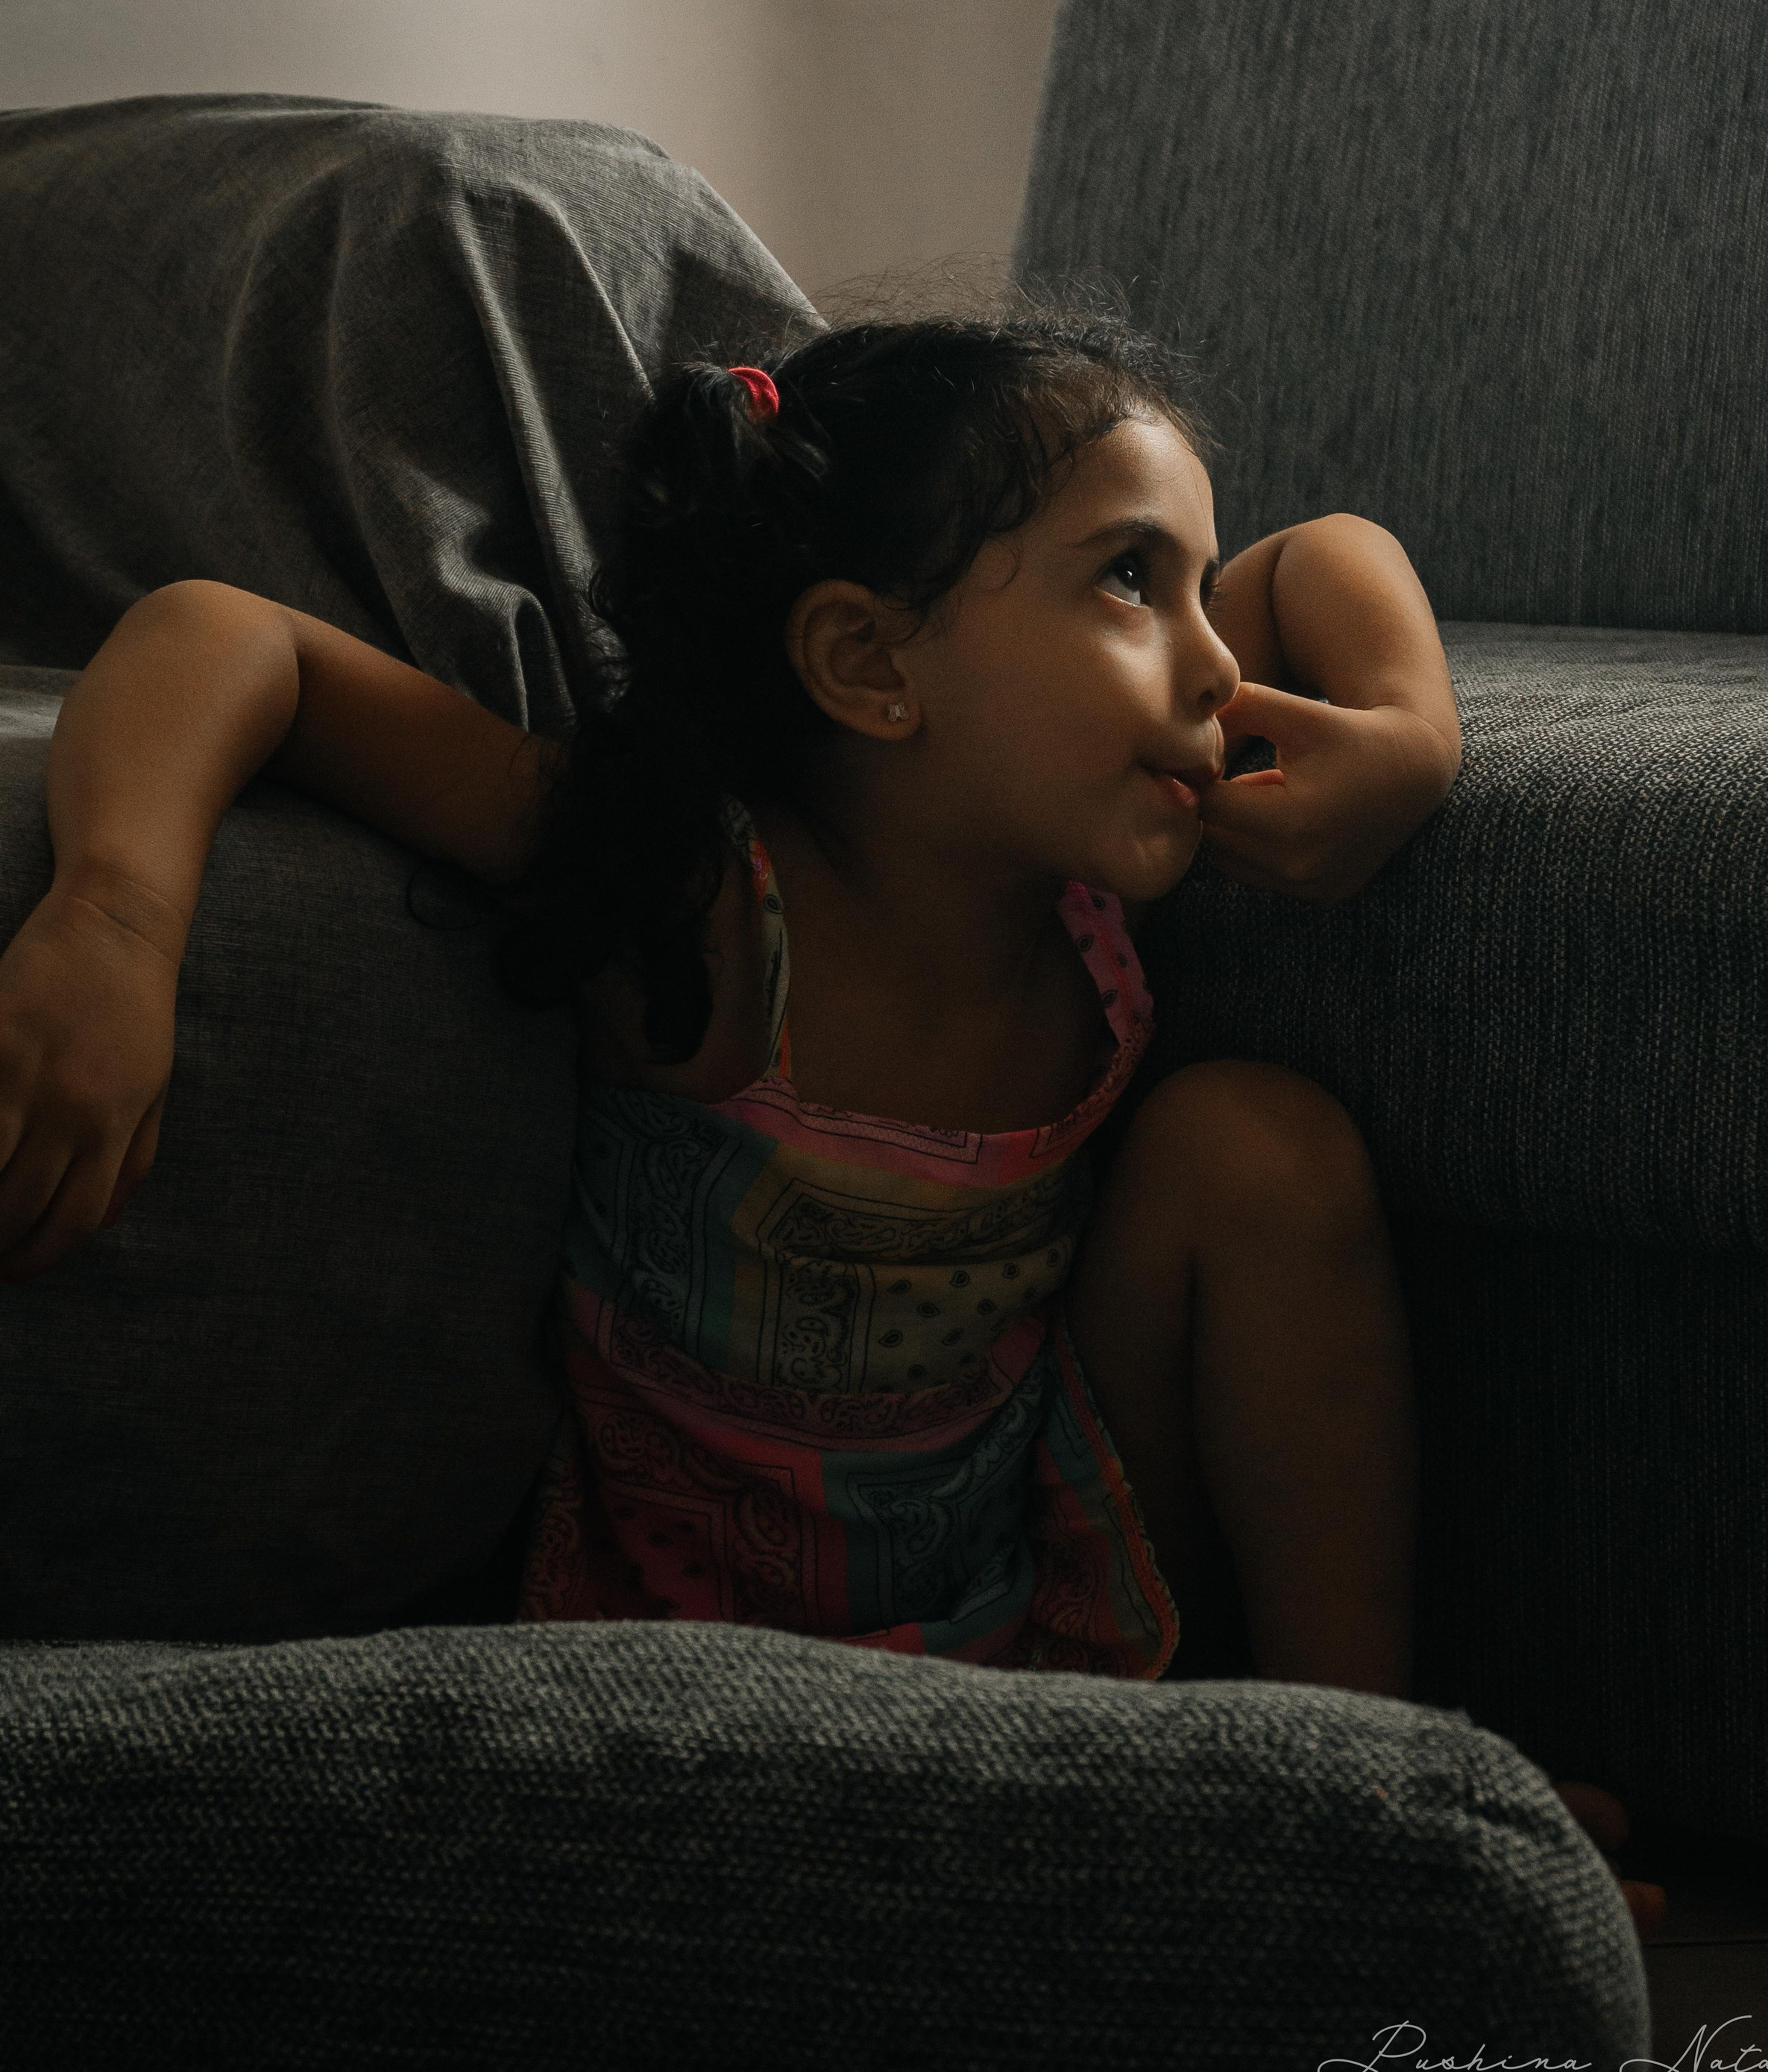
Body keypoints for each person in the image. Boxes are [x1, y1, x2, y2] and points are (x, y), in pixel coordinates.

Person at [0, 305, 1663, 1930]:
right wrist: (115, 924)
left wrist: (1410, 738)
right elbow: (229, 638)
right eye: (1128, 580)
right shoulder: (696, 904)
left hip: (1042, 1613)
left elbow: (1324, 555)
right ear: (868, 664)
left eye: (1191, 582)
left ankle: (1357, 1787)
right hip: (678, 1686)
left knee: (1258, 1146)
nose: (1219, 662)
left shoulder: (1082, 891)